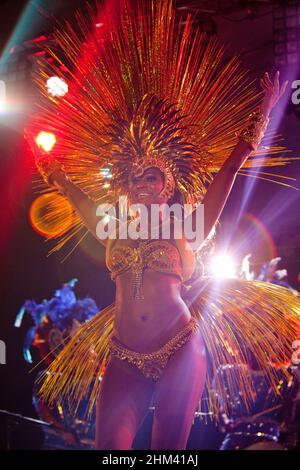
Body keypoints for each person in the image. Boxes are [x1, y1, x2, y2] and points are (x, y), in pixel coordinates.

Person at [26, 0, 300, 450]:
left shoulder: (187, 224)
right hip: (122, 355)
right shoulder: (113, 226)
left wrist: (262, 117)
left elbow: (230, 169)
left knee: (166, 451)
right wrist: (48, 165)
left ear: (167, 182)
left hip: (179, 349)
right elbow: (73, 193)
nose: (141, 184)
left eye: (151, 176)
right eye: (135, 178)